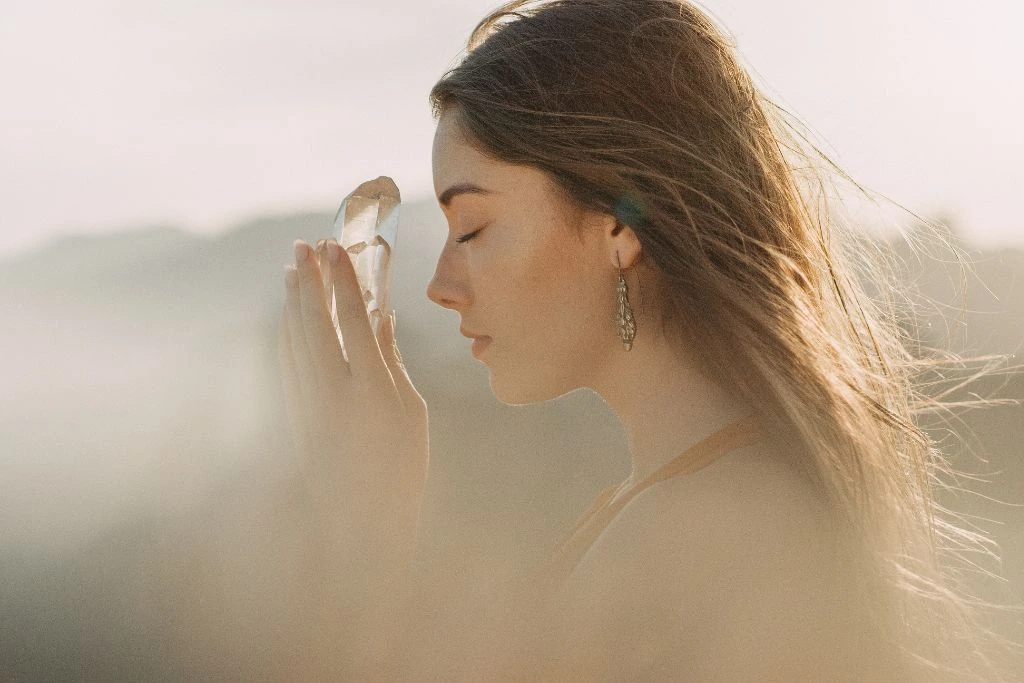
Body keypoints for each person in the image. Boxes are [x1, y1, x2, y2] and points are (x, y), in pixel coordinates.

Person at [278, 0, 1020, 679]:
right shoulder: (686, 494)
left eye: (472, 227)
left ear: (620, 224)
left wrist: (369, 534)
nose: (441, 284)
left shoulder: (702, 535)